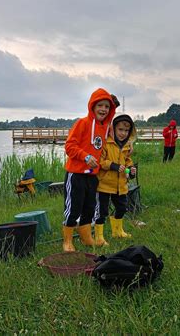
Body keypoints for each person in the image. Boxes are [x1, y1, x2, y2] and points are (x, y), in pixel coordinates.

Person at [62, 88, 117, 252]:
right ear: (92, 106)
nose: (103, 109)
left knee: (89, 207)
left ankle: (86, 238)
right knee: (73, 208)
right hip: (76, 174)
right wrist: (86, 157)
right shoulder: (82, 123)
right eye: (100, 105)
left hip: (92, 176)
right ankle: (67, 241)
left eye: (107, 107)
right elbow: (69, 146)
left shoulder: (106, 127)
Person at [94, 113, 137, 246]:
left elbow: (127, 161)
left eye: (126, 130)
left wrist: (131, 170)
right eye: (120, 130)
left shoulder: (126, 146)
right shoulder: (106, 143)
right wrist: (113, 166)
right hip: (104, 185)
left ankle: (117, 231)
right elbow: (100, 161)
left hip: (121, 185)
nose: (123, 133)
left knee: (122, 208)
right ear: (113, 129)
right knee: (102, 211)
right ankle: (99, 237)